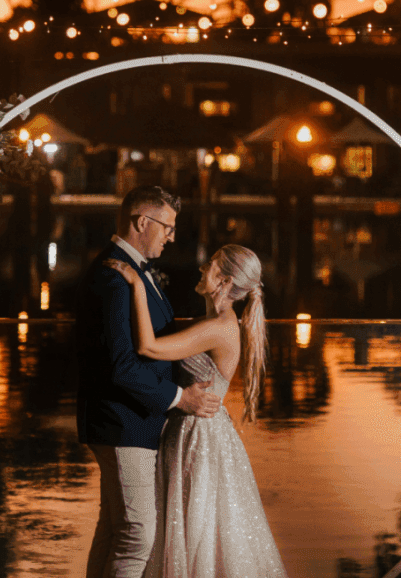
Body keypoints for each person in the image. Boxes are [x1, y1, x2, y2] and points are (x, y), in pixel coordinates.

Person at [106, 243, 288, 577]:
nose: (202, 268)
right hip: (194, 429)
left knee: (197, 529)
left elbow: (149, 346)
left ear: (224, 281)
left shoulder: (218, 327)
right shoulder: (207, 322)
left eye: (212, 265)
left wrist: (136, 286)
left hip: (199, 435)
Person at [76, 186, 222, 578]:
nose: (171, 237)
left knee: (114, 531)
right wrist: (180, 398)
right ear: (142, 221)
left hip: (126, 419)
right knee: (138, 534)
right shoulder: (113, 276)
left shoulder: (130, 270)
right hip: (124, 420)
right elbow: (122, 366)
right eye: (167, 227)